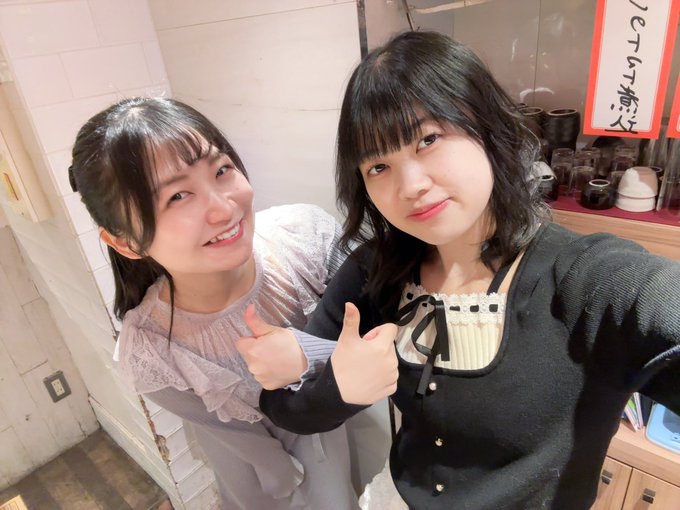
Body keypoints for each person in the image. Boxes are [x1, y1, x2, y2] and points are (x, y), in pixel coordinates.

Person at [239, 31, 680, 510]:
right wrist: (337, 388)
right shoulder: (376, 271)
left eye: (428, 140)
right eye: (378, 167)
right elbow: (285, 409)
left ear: (488, 128)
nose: (410, 185)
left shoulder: (590, 279)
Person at [67, 96, 364, 510]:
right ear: (125, 242)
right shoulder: (150, 348)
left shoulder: (306, 240)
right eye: (177, 196)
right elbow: (227, 433)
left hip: (325, 438)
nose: (225, 209)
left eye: (222, 170)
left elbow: (379, 339)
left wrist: (305, 355)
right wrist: (275, 468)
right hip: (248, 472)